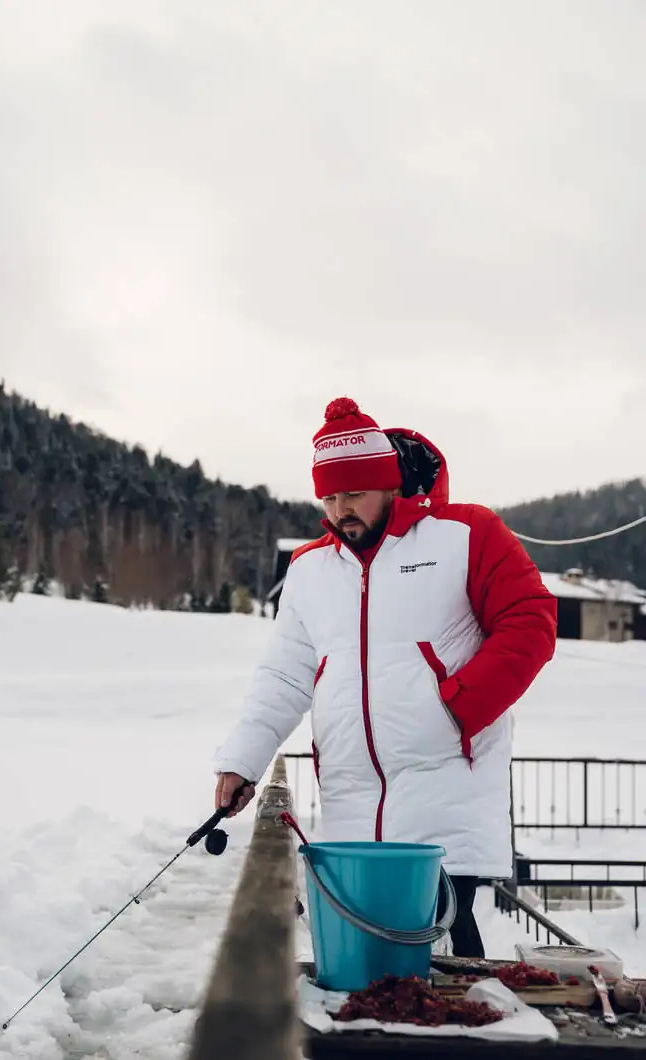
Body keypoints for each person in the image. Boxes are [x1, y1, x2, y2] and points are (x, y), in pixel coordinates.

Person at [213, 397, 557, 956]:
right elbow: (284, 675)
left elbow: (531, 621)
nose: (340, 509)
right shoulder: (310, 570)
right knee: (369, 960)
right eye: (329, 496)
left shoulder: (466, 534)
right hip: (351, 803)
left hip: (444, 794)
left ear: (389, 485)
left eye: (354, 494)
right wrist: (242, 761)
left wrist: (455, 708)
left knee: (441, 951)